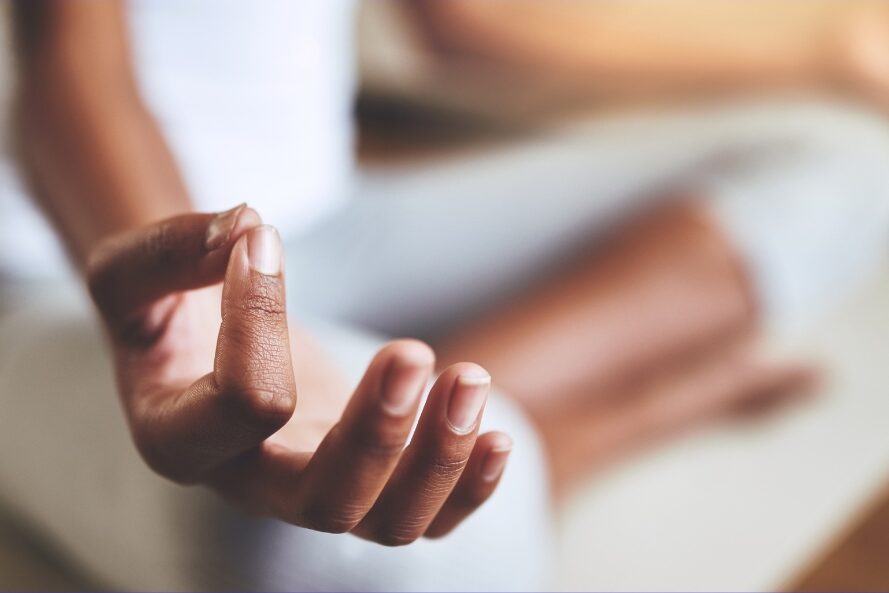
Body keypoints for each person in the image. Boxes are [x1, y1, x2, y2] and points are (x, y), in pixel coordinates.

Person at [2, 0, 889, 590]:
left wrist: (825, 52)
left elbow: (461, 21)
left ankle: (470, 425)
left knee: (856, 167)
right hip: (63, 263)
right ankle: (570, 431)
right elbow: (74, 69)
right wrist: (196, 320)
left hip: (335, 218)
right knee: (326, 542)